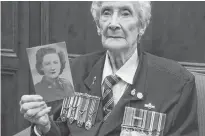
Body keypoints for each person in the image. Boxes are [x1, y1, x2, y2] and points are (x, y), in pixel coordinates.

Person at [20, 1, 198, 136]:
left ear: (141, 26)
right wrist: (44, 126)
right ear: (98, 26)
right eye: (106, 13)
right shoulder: (73, 70)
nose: (113, 23)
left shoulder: (177, 83)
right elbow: (60, 130)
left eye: (125, 13)